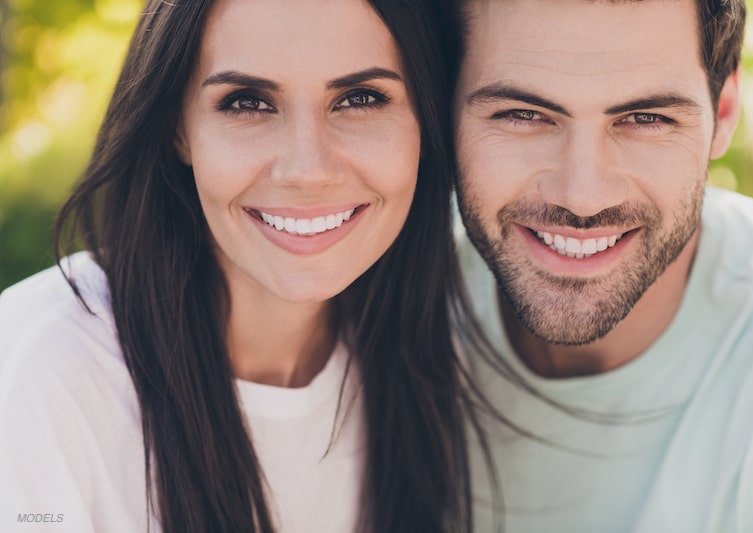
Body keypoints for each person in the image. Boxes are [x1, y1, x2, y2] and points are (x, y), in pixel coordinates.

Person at [0, 0, 493, 531]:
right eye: (247, 102)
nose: (308, 170)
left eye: (359, 98)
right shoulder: (38, 373)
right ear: (179, 128)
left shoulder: (443, 353)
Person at [450, 0, 753, 531]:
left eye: (645, 118)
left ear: (723, 114)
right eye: (522, 114)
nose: (583, 196)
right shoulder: (370, 294)